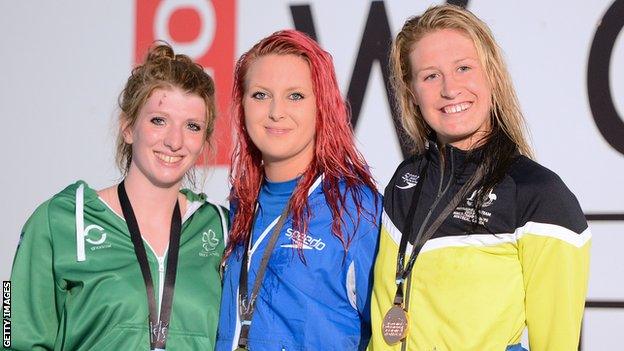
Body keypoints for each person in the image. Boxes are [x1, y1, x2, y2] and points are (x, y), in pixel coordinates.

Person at [368, 5, 591, 351]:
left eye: (463, 68)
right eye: (430, 76)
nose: (449, 89)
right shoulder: (404, 180)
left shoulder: (540, 196)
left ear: (492, 76)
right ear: (412, 92)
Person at [9, 43, 228, 350]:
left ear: (204, 140)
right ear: (128, 128)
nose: (175, 141)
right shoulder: (59, 222)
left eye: (192, 126)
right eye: (159, 120)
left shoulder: (221, 229)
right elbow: (12, 333)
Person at [215, 30, 382, 351]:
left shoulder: (356, 210)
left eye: (295, 96)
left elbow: (391, 332)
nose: (276, 111)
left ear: (322, 106)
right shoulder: (239, 204)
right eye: (261, 95)